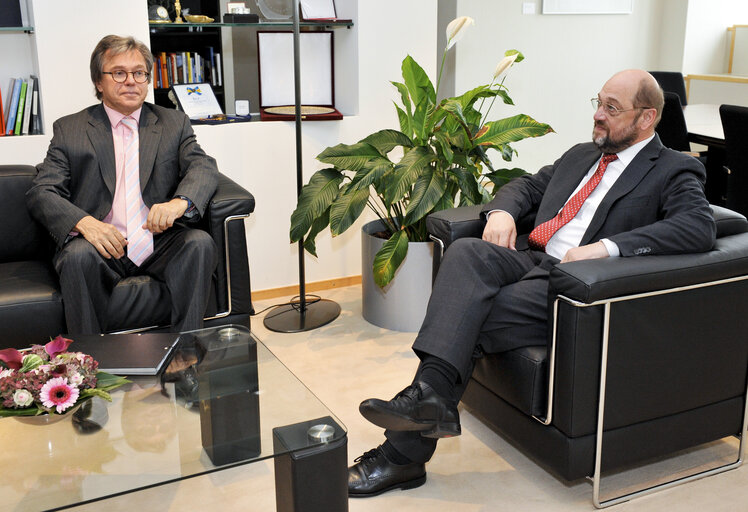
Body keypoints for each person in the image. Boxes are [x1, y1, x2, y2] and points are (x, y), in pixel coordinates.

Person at [348, 69, 717, 497]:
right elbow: (526, 186)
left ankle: (402, 454)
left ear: (647, 118)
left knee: (467, 312)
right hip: (530, 258)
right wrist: (501, 213)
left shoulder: (673, 168)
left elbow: (697, 227)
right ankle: (431, 401)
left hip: (572, 284)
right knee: (465, 253)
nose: (598, 115)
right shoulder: (582, 154)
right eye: (597, 102)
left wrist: (607, 248)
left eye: (611, 109)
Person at [26, 35, 218, 334]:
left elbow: (202, 165)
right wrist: (85, 223)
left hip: (158, 240)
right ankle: (90, 365)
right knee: (77, 257)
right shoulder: (71, 129)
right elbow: (42, 191)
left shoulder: (172, 123)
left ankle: (188, 353)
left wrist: (179, 202)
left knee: (199, 243)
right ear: (99, 82)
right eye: (118, 73)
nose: (131, 81)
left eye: (139, 73)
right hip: (101, 243)